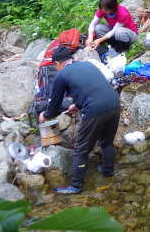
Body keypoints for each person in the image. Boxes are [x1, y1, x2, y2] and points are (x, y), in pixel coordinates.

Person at [39, 46, 121, 194]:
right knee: (107, 141)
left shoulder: (61, 75)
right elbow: (94, 88)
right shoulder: (87, 64)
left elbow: (54, 104)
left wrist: (45, 115)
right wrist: (77, 105)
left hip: (95, 109)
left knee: (81, 149)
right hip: (114, 102)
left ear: (58, 63)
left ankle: (76, 186)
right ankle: (107, 171)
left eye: (55, 66)